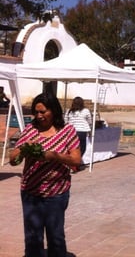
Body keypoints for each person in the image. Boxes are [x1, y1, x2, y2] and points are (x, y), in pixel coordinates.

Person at [9, 92, 81, 257]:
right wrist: (23, 148)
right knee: (32, 237)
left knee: (55, 236)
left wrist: (54, 156)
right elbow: (13, 160)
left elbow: (76, 160)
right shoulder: (29, 130)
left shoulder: (67, 131)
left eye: (43, 112)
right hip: (31, 192)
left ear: (54, 110)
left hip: (57, 193)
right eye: (36, 112)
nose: (39, 116)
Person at [65, 96, 92, 171]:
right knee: (82, 148)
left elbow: (65, 121)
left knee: (72, 148)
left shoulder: (69, 111)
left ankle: (73, 164)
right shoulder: (86, 111)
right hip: (82, 131)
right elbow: (90, 121)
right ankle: (75, 163)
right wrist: (90, 129)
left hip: (71, 131)